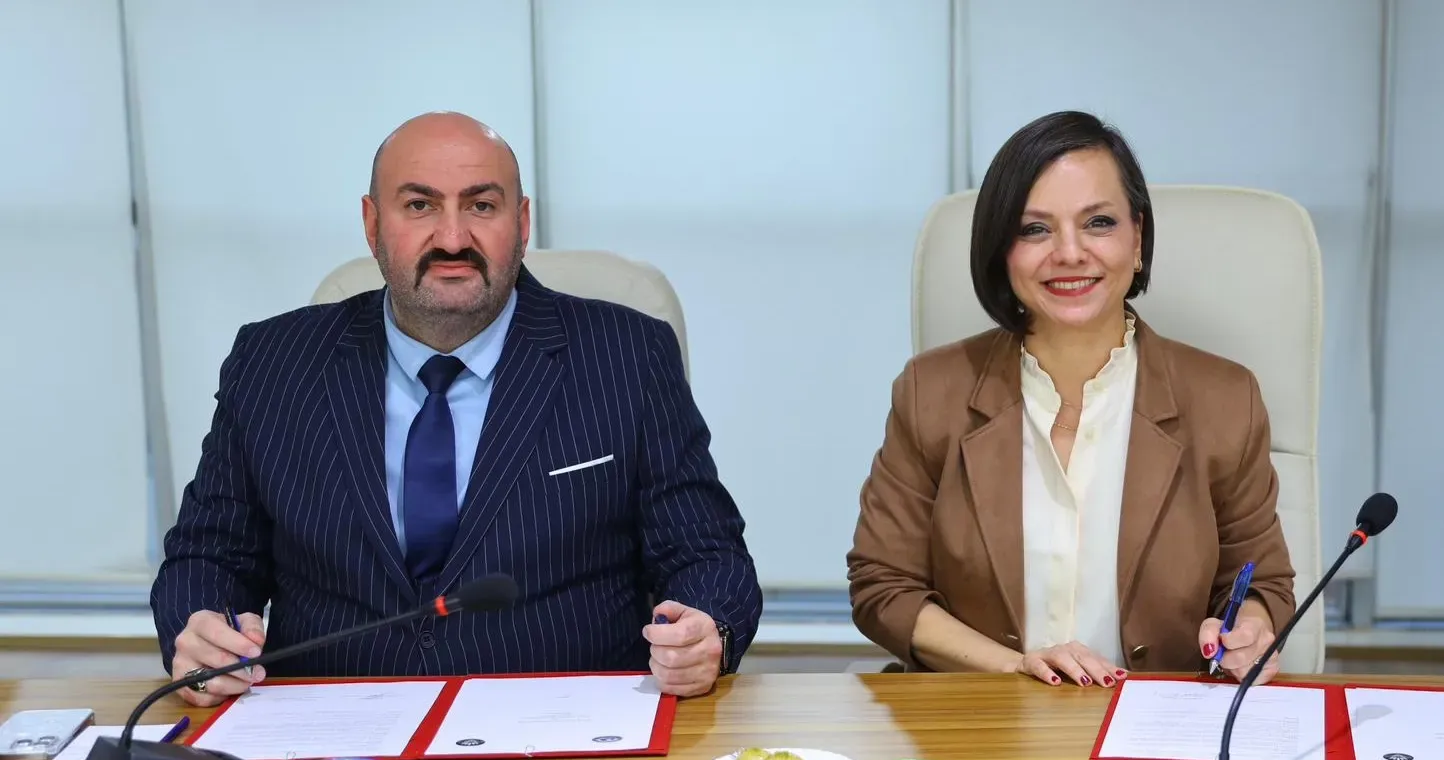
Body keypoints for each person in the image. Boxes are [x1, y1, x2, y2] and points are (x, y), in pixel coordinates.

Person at [152, 112, 761, 704]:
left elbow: (704, 553)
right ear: (372, 223)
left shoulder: (626, 355)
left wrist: (707, 628)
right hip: (331, 734)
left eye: (482, 206)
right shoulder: (273, 362)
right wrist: (201, 628)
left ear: (522, 222)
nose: (452, 239)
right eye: (419, 205)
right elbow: (209, 554)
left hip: (563, 728)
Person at [847, 110, 1294, 687]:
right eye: (1035, 230)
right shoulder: (931, 392)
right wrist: (1015, 666)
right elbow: (883, 586)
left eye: (1098, 223)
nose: (1069, 253)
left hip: (1155, 720)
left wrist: (1250, 628)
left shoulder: (1225, 399)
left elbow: (1261, 582)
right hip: (983, 714)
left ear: (1137, 238)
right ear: (1001, 251)